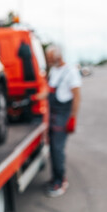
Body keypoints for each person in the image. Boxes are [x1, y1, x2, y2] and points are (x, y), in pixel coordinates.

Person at [33, 44, 81, 197]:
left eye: (49, 57)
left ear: (57, 56)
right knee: (53, 148)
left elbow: (77, 97)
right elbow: (48, 91)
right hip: (53, 114)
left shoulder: (71, 72)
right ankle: (55, 177)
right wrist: (33, 98)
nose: (48, 60)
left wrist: (72, 118)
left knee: (57, 149)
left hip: (63, 115)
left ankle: (61, 181)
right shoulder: (54, 71)